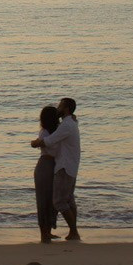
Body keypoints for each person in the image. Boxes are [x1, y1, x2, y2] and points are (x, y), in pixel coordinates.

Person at [30, 97, 80, 240]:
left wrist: (36, 143)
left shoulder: (64, 126)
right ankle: (47, 233)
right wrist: (38, 143)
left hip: (58, 166)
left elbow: (50, 142)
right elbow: (50, 145)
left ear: (66, 109)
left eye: (60, 106)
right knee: (48, 200)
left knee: (59, 201)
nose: (58, 109)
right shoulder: (51, 130)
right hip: (46, 166)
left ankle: (67, 231)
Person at [34, 105, 60, 243]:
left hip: (53, 165)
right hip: (45, 165)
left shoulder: (55, 132)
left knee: (52, 200)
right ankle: (44, 233)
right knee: (43, 200)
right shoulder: (44, 132)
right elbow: (51, 148)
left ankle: (48, 231)